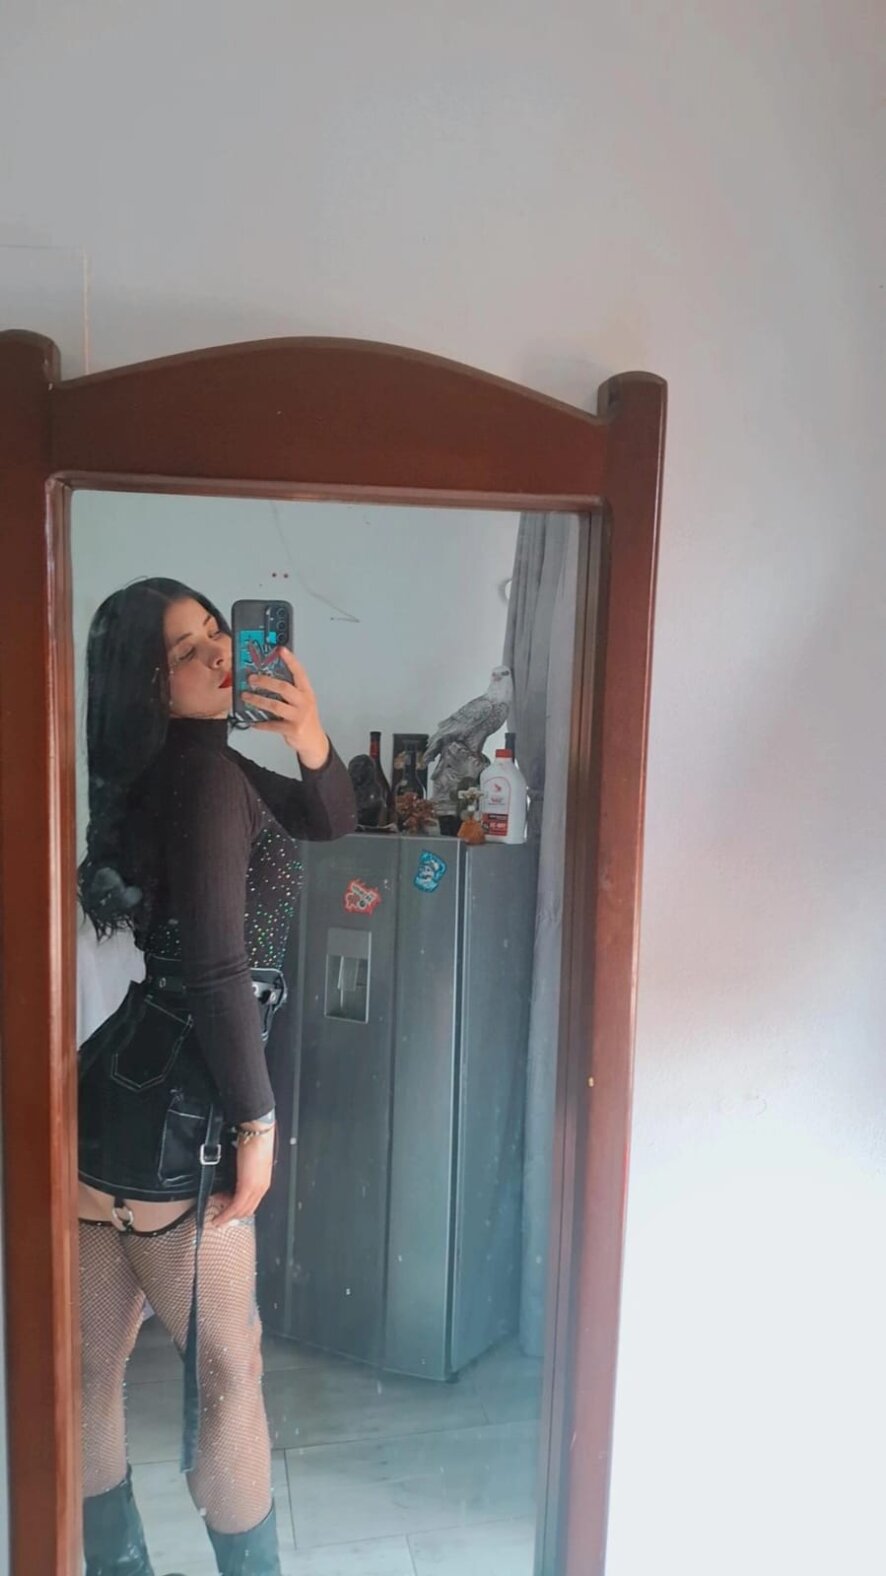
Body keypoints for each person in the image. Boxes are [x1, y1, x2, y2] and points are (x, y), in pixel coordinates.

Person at [76, 577, 357, 1576]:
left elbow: (328, 816)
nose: (218, 653)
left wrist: (310, 734)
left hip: (106, 1106)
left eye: (214, 630)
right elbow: (216, 968)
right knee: (231, 1375)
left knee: (88, 1374)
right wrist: (256, 1123)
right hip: (182, 1118)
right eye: (187, 649)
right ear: (150, 686)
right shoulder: (201, 777)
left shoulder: (190, 766)